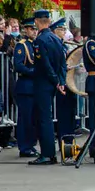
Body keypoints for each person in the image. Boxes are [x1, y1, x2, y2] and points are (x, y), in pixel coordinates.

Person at [29, 9, 67, 165]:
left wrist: (55, 81)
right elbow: (63, 62)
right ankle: (49, 152)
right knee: (47, 118)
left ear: (37, 21)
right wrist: (61, 81)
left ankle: (47, 154)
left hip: (43, 83)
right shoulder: (55, 38)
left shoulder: (40, 40)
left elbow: (45, 65)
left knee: (43, 119)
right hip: (52, 83)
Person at [13, 17, 38, 158]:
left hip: (34, 87)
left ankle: (31, 144)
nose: (34, 32)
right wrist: (34, 72)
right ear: (26, 30)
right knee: (25, 119)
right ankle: (24, 147)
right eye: (32, 29)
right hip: (25, 86)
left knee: (33, 118)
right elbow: (19, 65)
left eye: (35, 29)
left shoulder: (34, 45)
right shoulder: (21, 46)